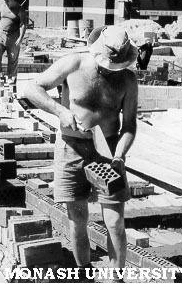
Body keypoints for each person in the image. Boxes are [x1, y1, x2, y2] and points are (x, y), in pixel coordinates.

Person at [24, 25, 139, 282]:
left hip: (108, 152)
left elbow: (129, 125)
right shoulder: (74, 63)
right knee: (77, 218)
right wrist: (61, 112)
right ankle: (84, 276)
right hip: (70, 149)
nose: (111, 68)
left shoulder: (128, 80)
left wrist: (119, 155)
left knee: (114, 222)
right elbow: (32, 89)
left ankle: (116, 279)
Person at [0, 0, 27, 84]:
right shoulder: (2, 7)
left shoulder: (20, 10)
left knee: (12, 57)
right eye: (5, 1)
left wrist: (21, 38)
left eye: (7, 1)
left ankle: (10, 76)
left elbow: (23, 25)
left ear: (13, 0)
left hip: (14, 36)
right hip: (1, 35)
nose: (6, 2)